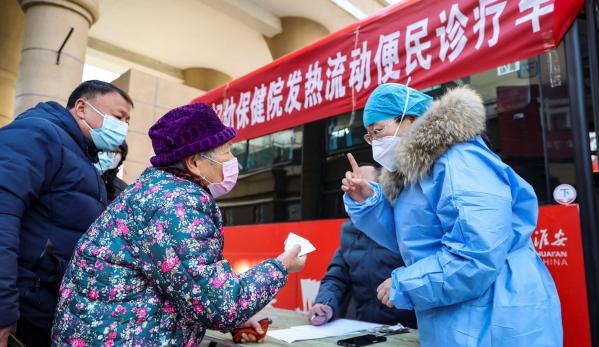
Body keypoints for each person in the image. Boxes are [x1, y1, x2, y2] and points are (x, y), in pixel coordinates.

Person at [51, 103, 307, 346]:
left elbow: (186, 286)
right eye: (227, 151)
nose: (232, 160)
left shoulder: (156, 191)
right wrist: (281, 266)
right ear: (194, 163)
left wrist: (236, 322)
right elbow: (220, 306)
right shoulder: (177, 206)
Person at [341, 83, 562, 346]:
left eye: (378, 131)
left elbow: (476, 254)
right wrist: (369, 201)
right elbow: (412, 241)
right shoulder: (416, 174)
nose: (376, 142)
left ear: (410, 120)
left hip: (496, 314)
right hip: (460, 312)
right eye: (370, 136)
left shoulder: (460, 161)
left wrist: (406, 284)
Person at [0, 80, 132, 347]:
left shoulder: (82, 156)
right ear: (82, 107)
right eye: (119, 117)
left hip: (46, 308)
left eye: (128, 121)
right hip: (23, 308)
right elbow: (4, 213)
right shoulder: (39, 134)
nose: (123, 127)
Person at [309, 165, 416, 328]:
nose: (358, 193)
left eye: (364, 187)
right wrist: (325, 304)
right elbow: (336, 277)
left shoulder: (403, 228)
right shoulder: (349, 231)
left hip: (407, 330)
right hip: (365, 328)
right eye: (353, 188)